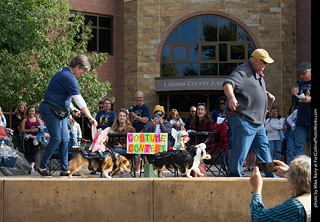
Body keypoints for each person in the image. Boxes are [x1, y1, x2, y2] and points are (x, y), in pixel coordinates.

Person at [37, 54, 97, 177]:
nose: (83, 73)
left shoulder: (64, 73)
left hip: (59, 111)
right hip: (50, 110)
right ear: (77, 66)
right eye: (83, 70)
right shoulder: (68, 77)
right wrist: (90, 117)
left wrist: (73, 108)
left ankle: (65, 169)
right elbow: (79, 100)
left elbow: (63, 96)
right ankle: (41, 166)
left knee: (65, 139)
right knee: (56, 138)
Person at [223, 48, 276, 177]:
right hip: (243, 118)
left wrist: (266, 94)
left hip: (257, 121)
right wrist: (231, 98)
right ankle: (234, 177)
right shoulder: (242, 71)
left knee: (264, 150)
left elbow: (252, 90)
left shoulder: (257, 72)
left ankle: (271, 176)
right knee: (241, 149)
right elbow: (228, 84)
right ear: (255, 61)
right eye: (264, 63)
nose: (266, 65)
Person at [250, 155, 311, 221]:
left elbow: (258, 218)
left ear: (295, 183)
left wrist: (256, 188)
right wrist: (291, 173)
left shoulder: (295, 206)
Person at [291, 62, 311, 158]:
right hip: (301, 120)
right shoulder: (301, 84)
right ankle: (298, 170)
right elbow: (294, 103)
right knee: (299, 146)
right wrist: (294, 94)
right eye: (300, 74)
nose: (301, 76)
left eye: (303, 74)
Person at [20, 105, 44, 173]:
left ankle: (32, 167)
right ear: (28, 112)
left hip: (36, 138)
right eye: (30, 111)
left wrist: (38, 129)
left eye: (32, 111)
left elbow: (42, 128)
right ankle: (27, 166)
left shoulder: (38, 120)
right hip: (27, 138)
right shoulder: (25, 120)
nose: (31, 112)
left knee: (34, 153)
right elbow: (22, 130)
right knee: (27, 153)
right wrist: (29, 130)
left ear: (35, 112)